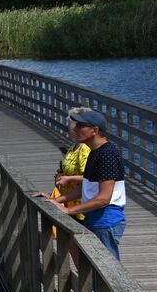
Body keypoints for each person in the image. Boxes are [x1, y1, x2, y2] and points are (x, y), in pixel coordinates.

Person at [39, 109, 125, 259]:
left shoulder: (107, 155)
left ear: (95, 130)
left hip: (106, 220)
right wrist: (55, 200)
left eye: (80, 126)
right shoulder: (95, 151)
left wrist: (69, 211)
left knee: (107, 268)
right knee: (94, 268)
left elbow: (104, 198)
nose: (75, 129)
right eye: (76, 125)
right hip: (94, 218)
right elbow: (85, 187)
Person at [52, 107, 93, 222]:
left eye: (69, 123)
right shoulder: (74, 146)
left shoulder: (85, 148)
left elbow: (92, 178)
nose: (68, 126)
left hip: (82, 207)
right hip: (70, 203)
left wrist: (68, 178)